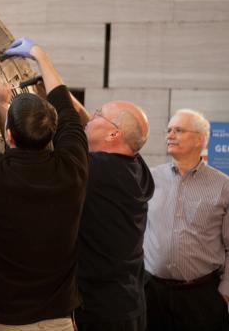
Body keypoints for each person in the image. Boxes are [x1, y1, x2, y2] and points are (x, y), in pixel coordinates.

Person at [0, 37, 89, 330]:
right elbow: (68, 112)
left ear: (8, 137)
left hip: (4, 321)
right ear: (52, 134)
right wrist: (40, 56)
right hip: (58, 320)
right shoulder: (73, 170)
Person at [143, 109, 229, 331]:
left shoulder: (226, 187)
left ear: (200, 138)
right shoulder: (149, 179)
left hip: (202, 299)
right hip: (152, 295)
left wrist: (225, 294)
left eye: (179, 130)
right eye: (169, 130)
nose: (170, 135)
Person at [71, 99, 155, 331]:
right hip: (130, 303)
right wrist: (62, 90)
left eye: (98, 114)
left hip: (101, 312)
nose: (92, 117)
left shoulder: (99, 170)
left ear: (113, 135)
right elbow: (94, 124)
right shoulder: (135, 167)